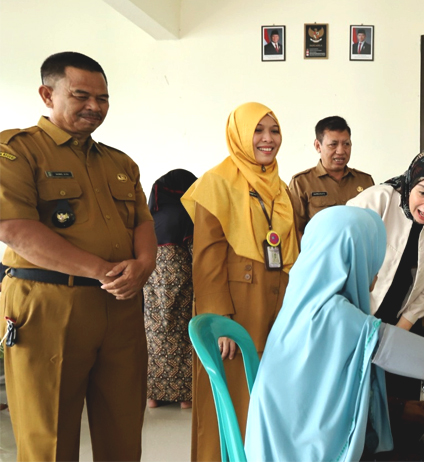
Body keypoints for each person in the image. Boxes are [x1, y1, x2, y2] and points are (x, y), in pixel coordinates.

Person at [244, 206, 424, 462]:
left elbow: (325, 391)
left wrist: (397, 408)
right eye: (374, 258)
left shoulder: (301, 302)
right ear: (353, 258)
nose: (377, 271)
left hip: (279, 445)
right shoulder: (337, 317)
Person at [0, 51, 154, 460]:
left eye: (102, 98)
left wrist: (143, 265)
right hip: (48, 305)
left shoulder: (120, 162)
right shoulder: (16, 151)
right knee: (48, 438)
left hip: (120, 308)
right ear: (47, 95)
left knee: (124, 432)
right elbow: (14, 229)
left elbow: (143, 223)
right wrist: (102, 271)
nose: (94, 106)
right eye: (81, 95)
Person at [182, 102, 298, 461]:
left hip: (275, 310)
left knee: (265, 404)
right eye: (257, 130)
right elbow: (206, 260)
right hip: (236, 314)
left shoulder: (280, 187)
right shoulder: (216, 183)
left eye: (274, 130)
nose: (268, 139)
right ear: (239, 134)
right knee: (231, 407)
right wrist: (220, 322)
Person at [347, 147, 424, 331]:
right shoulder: (376, 200)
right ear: (411, 181)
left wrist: (399, 330)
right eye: (423, 193)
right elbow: (341, 265)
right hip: (352, 314)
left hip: (402, 315)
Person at [143, 168, 198, 410]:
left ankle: (153, 396)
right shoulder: (187, 213)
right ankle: (185, 397)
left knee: (154, 333)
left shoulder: (149, 217)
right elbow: (198, 253)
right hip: (181, 283)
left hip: (151, 284)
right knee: (183, 333)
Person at [289, 116, 374, 247]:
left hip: (359, 256)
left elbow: (373, 226)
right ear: (318, 146)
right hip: (320, 256)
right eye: (333, 145)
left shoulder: (365, 181)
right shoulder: (302, 183)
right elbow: (296, 230)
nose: (341, 151)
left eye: (346, 144)